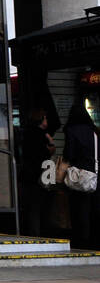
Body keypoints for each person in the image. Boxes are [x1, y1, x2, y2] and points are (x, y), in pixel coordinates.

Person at [62, 102, 99, 251]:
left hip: (80, 175)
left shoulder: (72, 130)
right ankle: (95, 240)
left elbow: (69, 154)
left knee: (79, 209)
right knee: (95, 209)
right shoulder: (95, 132)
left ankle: (81, 240)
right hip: (95, 175)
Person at [18, 107, 55, 237]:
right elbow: (48, 152)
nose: (47, 121)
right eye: (45, 118)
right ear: (41, 120)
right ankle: (40, 233)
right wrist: (50, 141)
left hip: (26, 174)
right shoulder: (42, 135)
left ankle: (31, 232)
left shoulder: (25, 133)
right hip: (40, 174)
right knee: (41, 205)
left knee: (30, 206)